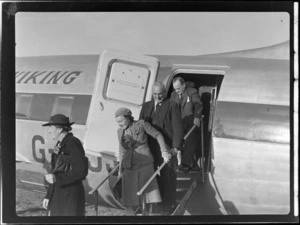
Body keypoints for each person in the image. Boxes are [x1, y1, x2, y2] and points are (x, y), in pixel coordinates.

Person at [115, 107, 171, 214]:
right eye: (117, 122)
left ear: (128, 118)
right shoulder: (119, 132)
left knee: (148, 195)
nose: (119, 124)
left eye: (121, 121)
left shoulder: (142, 124)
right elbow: (122, 151)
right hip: (129, 166)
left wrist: (164, 151)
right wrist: (120, 171)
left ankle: (148, 216)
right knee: (128, 197)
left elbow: (158, 135)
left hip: (145, 164)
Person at [139, 81, 184, 215]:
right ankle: (153, 203)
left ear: (165, 93)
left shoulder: (172, 105)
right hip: (149, 146)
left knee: (168, 175)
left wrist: (176, 147)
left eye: (160, 94)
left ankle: (168, 205)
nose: (158, 97)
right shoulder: (146, 106)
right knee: (150, 175)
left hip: (167, 146)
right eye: (155, 94)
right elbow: (141, 125)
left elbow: (178, 128)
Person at [42, 114, 87, 216]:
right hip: (59, 195)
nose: (49, 131)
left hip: (70, 197)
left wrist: (57, 178)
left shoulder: (73, 143)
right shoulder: (59, 144)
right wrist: (49, 196)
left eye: (51, 127)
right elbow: (55, 172)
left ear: (59, 129)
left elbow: (82, 171)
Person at [171, 77, 203, 173]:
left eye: (178, 88)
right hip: (179, 124)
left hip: (191, 123)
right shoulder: (173, 95)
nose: (177, 91)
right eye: (175, 89)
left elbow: (198, 105)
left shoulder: (192, 92)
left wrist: (197, 117)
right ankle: (192, 164)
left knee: (191, 141)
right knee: (180, 143)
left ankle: (184, 164)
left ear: (183, 85)